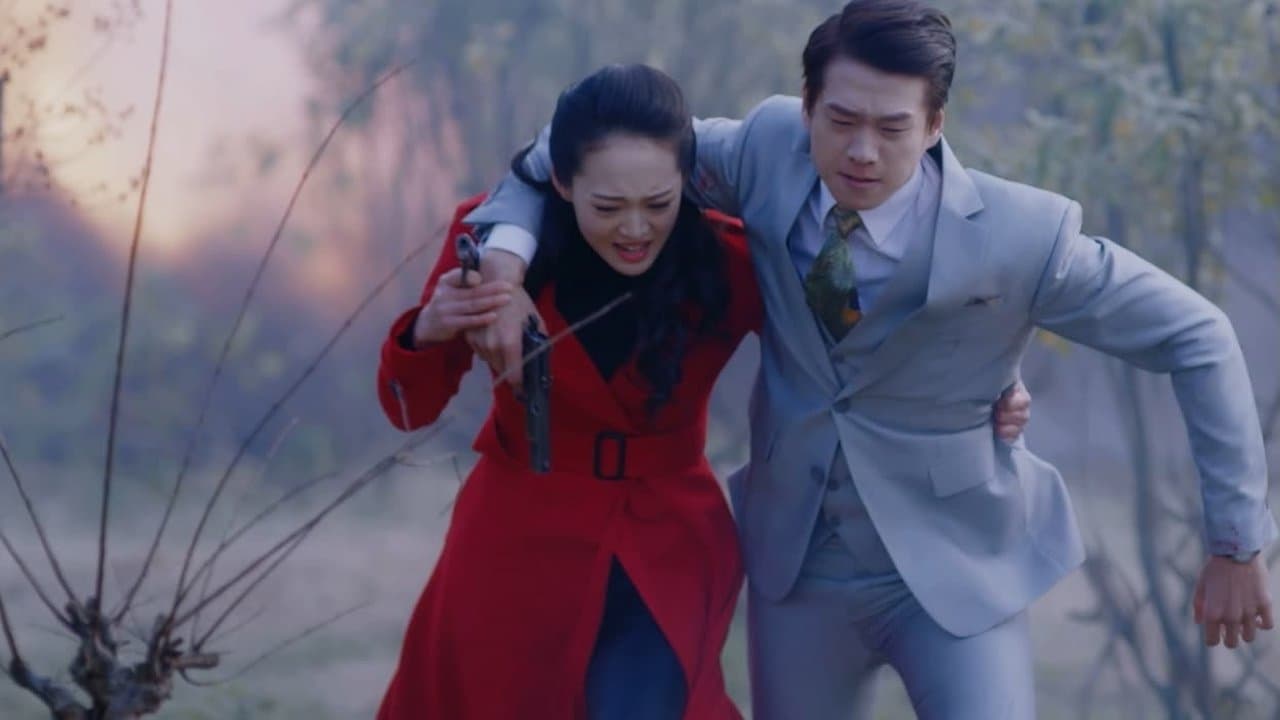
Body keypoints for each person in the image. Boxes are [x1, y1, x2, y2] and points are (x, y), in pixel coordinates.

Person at [461, 2, 1278, 719]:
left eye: (892, 129)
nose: (862, 151)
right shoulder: (764, 152)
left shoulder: (1022, 236)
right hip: (799, 567)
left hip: (960, 568)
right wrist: (502, 265)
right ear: (806, 106)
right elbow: (560, 154)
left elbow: (1197, 334)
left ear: (935, 125)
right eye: (841, 120)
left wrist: (1236, 541)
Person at [374, 63, 1030, 720]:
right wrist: (428, 330)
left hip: (666, 543)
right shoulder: (492, 251)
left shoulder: (730, 258)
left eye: (658, 203)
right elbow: (407, 409)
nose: (635, 229)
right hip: (515, 541)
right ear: (564, 183)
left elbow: (860, 341)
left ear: (687, 180)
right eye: (608, 207)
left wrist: (987, 381)